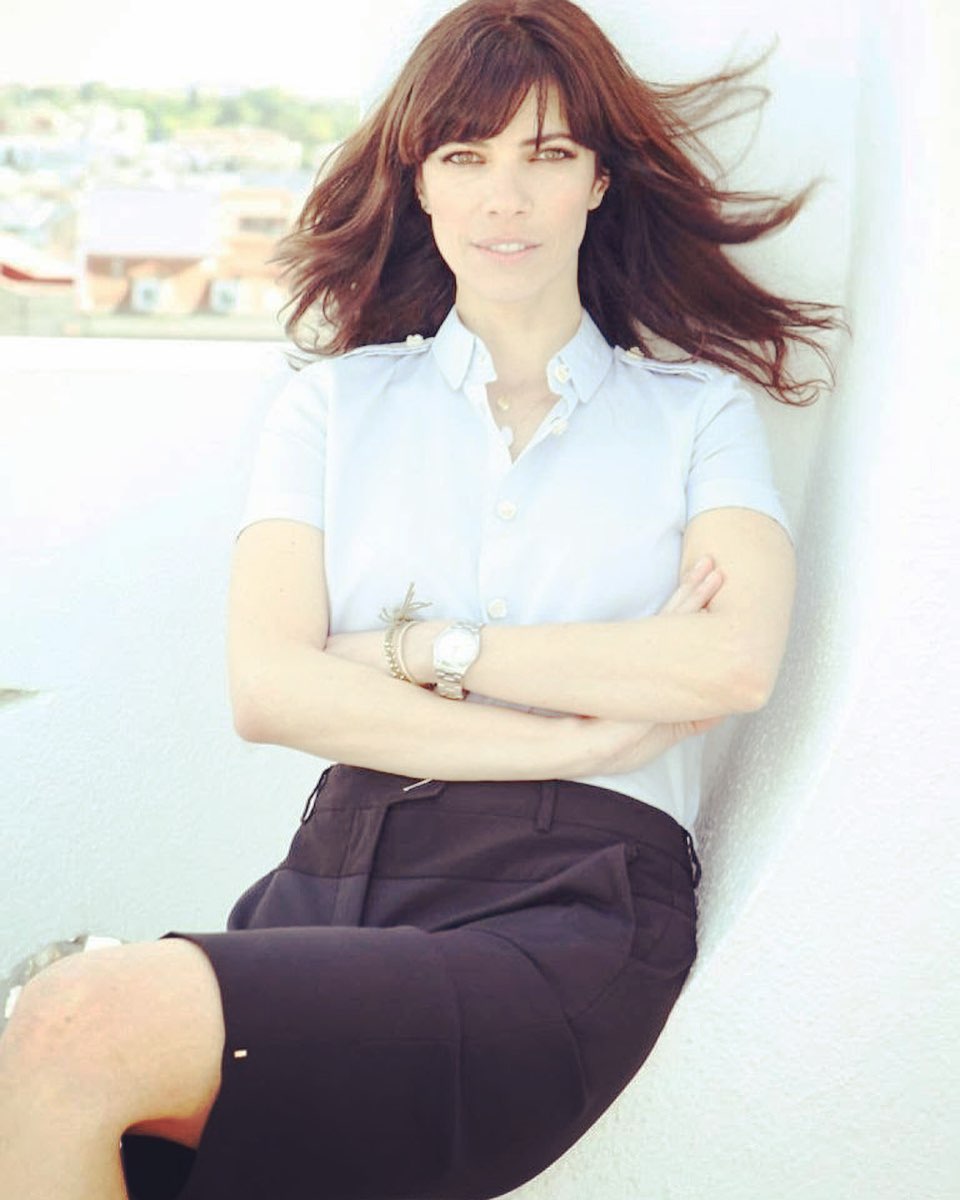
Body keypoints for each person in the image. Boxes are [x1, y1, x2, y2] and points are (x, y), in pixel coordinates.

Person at [0, 2, 840, 1197]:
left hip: (574, 908)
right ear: (421, 180)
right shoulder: (331, 408)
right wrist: (583, 727)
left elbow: (729, 663)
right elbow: (269, 687)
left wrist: (418, 648)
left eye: (548, 153)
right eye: (466, 155)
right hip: (332, 879)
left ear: (599, 180)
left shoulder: (696, 415)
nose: (507, 198)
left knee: (77, 1020)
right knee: (78, 1086)